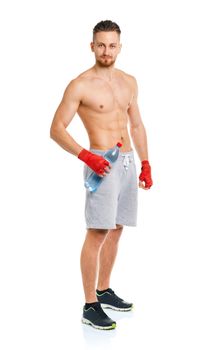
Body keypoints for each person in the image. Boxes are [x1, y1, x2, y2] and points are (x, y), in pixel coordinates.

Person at [50, 20, 153, 330]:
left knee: (117, 227)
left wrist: (146, 163)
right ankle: (89, 305)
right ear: (91, 46)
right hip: (101, 164)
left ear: (119, 47)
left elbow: (136, 125)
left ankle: (104, 289)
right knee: (97, 232)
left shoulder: (129, 82)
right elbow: (56, 129)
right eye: (101, 45)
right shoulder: (80, 85)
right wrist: (86, 156)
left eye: (112, 45)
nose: (107, 51)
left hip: (126, 161)